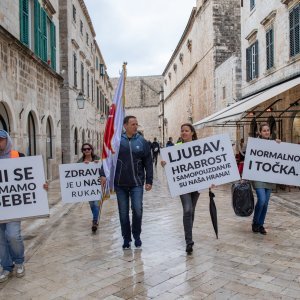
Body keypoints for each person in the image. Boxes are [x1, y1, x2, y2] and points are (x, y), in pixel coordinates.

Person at [0, 130, 48, 283]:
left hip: (14, 206)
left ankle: (19, 261)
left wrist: (42, 185)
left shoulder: (18, 156)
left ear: (7, 140)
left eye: (1, 139)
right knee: (0, 239)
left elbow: (32, 177)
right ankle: (6, 266)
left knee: (12, 235)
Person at [100, 116, 153, 249]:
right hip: (120, 183)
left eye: (136, 124)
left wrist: (149, 180)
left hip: (137, 183)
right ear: (125, 126)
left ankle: (137, 235)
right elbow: (107, 159)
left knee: (138, 210)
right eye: (133, 124)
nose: (135, 126)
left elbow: (148, 162)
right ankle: (126, 238)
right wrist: (102, 174)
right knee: (123, 213)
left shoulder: (142, 141)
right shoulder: (116, 141)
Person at [161, 124, 200, 254]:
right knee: (187, 209)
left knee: (192, 211)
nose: (184, 133)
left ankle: (189, 235)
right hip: (183, 184)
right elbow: (168, 162)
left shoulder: (199, 146)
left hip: (196, 183)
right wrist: (164, 163)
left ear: (192, 133)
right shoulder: (175, 147)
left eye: (186, 131)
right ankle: (189, 241)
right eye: (182, 130)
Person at [251, 122, 280, 235]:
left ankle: (261, 224)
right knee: (261, 200)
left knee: (266, 203)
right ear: (260, 132)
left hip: (269, 177)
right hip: (258, 176)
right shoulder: (255, 143)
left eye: (268, 130)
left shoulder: (274, 143)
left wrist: (279, 144)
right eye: (264, 130)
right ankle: (255, 222)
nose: (266, 132)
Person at [77, 143, 100, 233]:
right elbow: (74, 171)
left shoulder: (97, 158)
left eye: (88, 149)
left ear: (91, 149)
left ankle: (94, 222)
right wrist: (82, 165)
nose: (87, 150)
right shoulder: (80, 161)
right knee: (92, 205)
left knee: (96, 204)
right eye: (84, 149)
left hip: (97, 186)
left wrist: (98, 164)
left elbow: (104, 167)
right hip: (87, 187)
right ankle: (96, 218)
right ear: (82, 151)